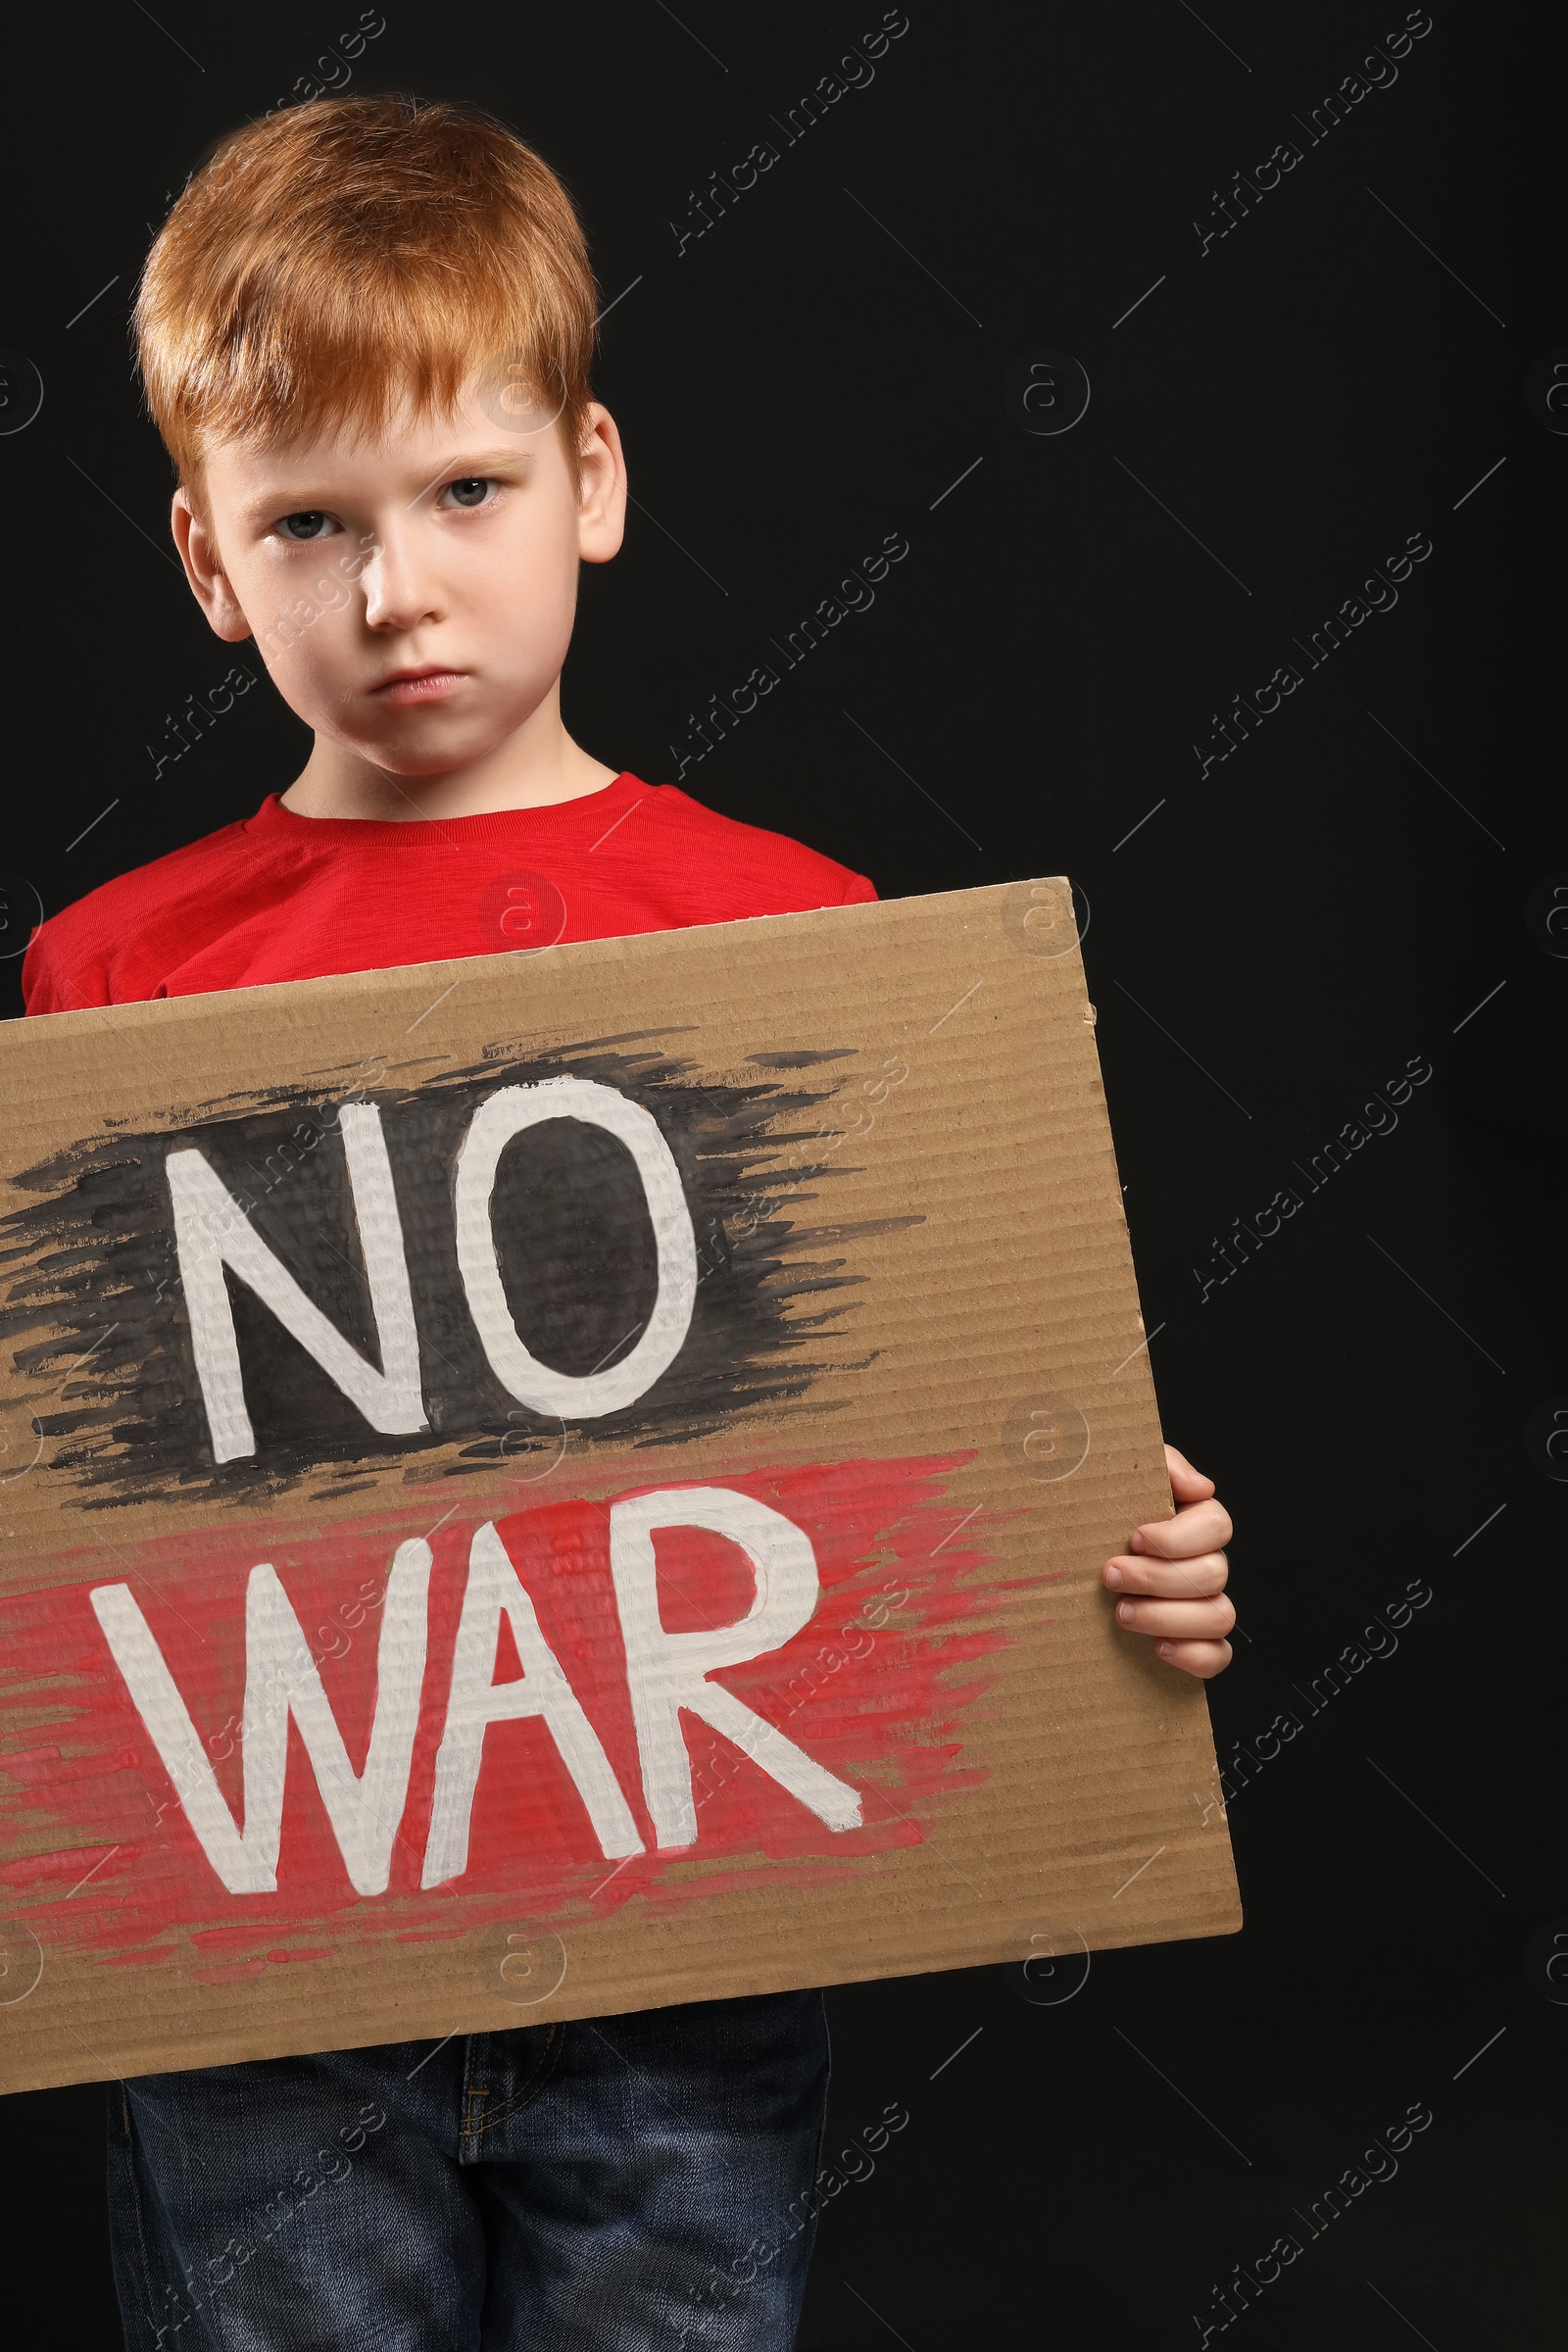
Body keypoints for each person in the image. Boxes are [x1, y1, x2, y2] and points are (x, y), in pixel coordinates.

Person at [22, 95, 1237, 2352]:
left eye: (462, 492)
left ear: (587, 479)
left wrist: (1111, 1567)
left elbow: (931, 1444)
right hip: (281, 1964)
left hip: (689, 1935)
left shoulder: (797, 940)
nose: (395, 590)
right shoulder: (118, 978)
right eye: (308, 523)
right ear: (208, 561)